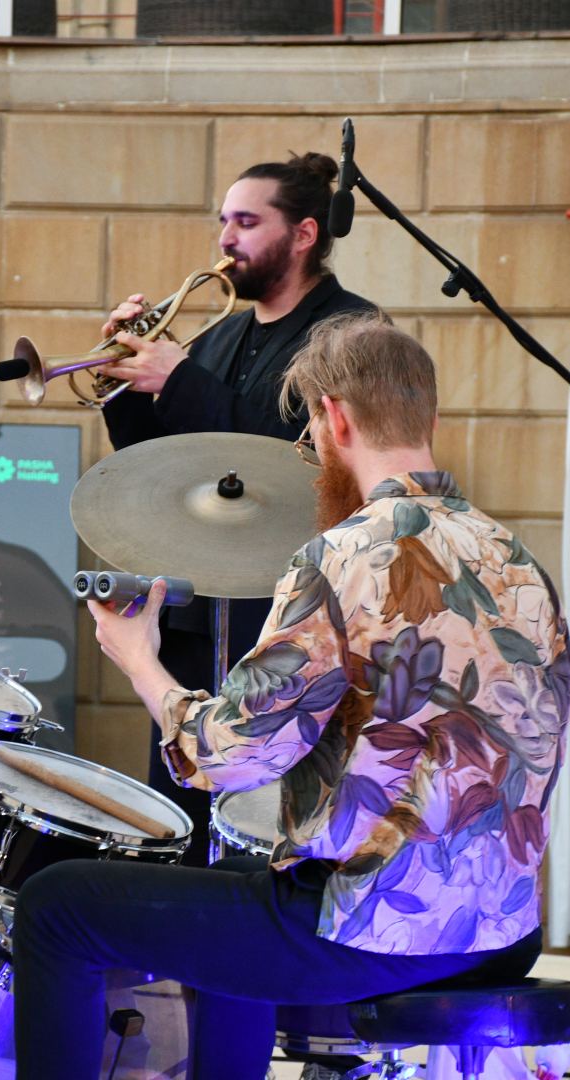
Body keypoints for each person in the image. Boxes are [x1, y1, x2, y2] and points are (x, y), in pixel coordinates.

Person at [15, 313, 570, 1077]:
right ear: (429, 419)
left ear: (333, 418)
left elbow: (230, 757)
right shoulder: (520, 560)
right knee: (247, 881)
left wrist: (139, 660)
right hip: (504, 926)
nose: (313, 456)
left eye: (311, 435)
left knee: (56, 908)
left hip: (379, 932)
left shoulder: (343, 557)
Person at [97, 152, 376, 863]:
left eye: (247, 222)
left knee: (262, 833)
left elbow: (311, 465)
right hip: (200, 608)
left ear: (304, 234)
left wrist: (181, 378)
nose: (226, 238)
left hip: (284, 615)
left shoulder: (350, 333)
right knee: (180, 821)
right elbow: (168, 469)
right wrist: (127, 389)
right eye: (224, 221)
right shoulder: (218, 337)